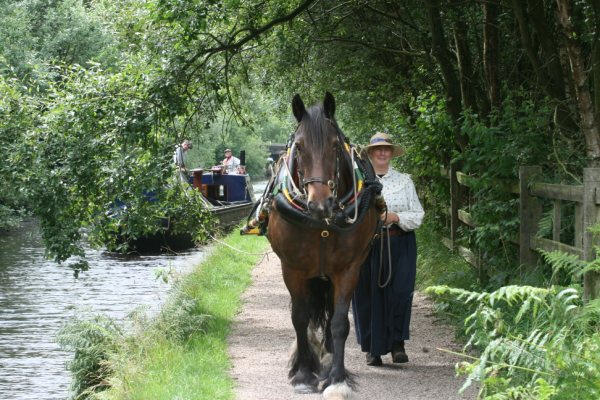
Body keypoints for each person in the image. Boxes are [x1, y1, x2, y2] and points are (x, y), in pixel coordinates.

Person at [351, 132, 424, 366]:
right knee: (367, 294)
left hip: (400, 242)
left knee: (400, 293)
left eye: (386, 149)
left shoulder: (405, 181)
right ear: (371, 154)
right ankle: (373, 349)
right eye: (378, 149)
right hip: (367, 245)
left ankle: (397, 345)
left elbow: (418, 215)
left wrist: (395, 216)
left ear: (391, 153)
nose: (382, 153)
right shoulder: (358, 183)